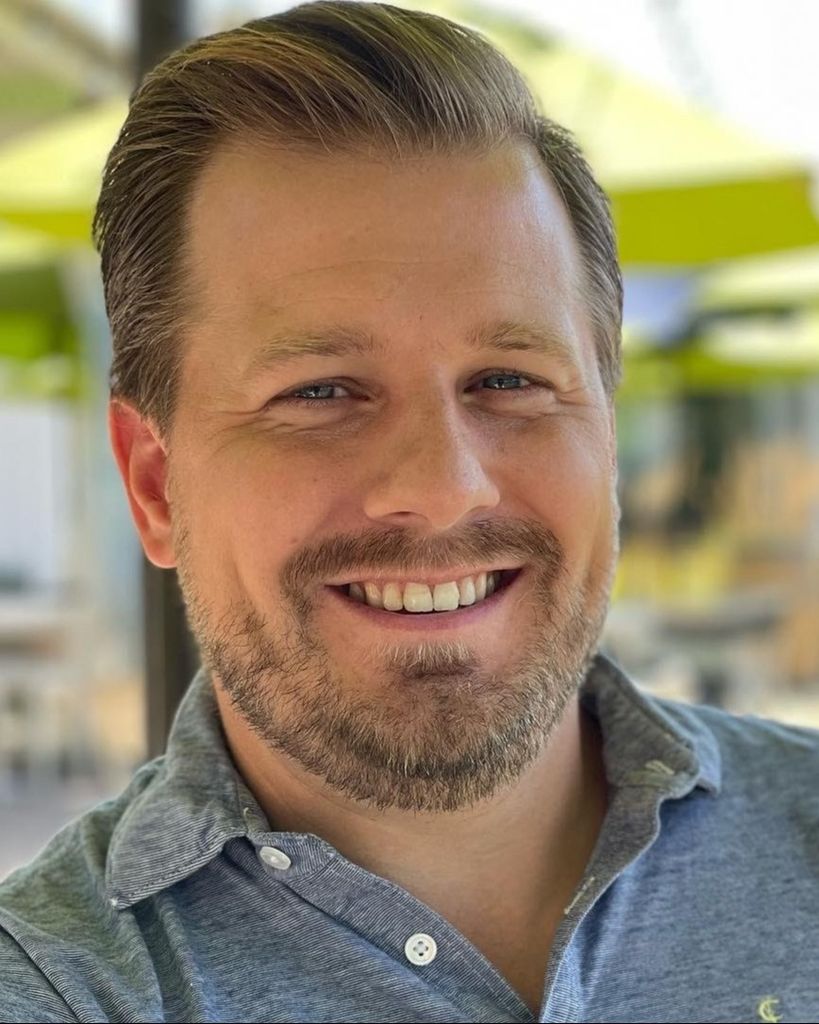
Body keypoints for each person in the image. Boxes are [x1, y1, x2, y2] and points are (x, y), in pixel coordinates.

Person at [1, 3, 818, 1021]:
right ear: (155, 486)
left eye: (509, 380)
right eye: (319, 392)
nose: (443, 488)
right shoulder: (58, 986)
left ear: (607, 433)